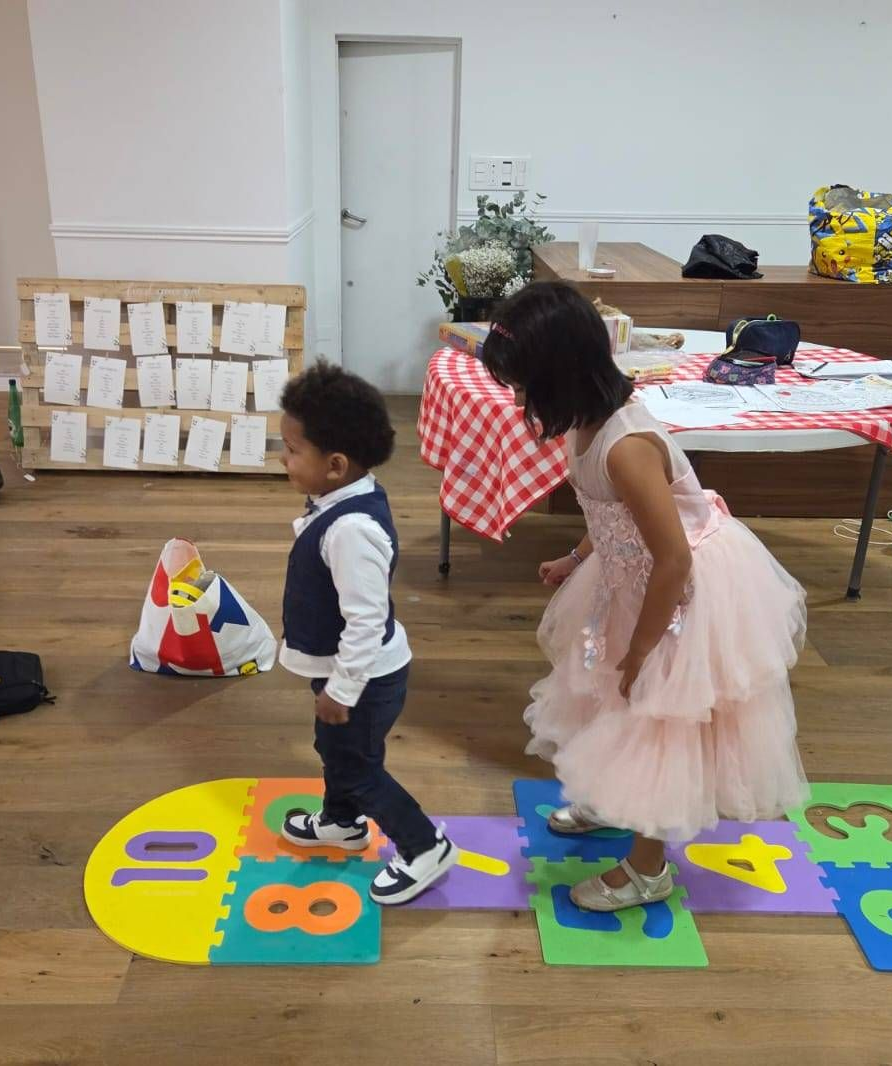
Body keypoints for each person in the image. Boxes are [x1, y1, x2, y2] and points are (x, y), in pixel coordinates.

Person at [481, 282, 808, 912]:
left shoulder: (628, 446)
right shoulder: (586, 423)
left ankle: (647, 869)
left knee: (658, 716)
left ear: (561, 376)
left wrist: (644, 648)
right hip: (632, 578)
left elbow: (674, 558)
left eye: (525, 386)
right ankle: (614, 799)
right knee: (608, 694)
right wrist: (578, 556)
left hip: (679, 594)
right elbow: (612, 514)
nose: (519, 400)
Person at [276, 360, 458, 904]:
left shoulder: (352, 529)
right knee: (337, 752)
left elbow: (366, 620)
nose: (282, 458)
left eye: (292, 450)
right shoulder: (342, 503)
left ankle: (424, 847)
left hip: (363, 678)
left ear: (335, 465)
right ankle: (342, 822)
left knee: (356, 767)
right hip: (347, 672)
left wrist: (342, 689)